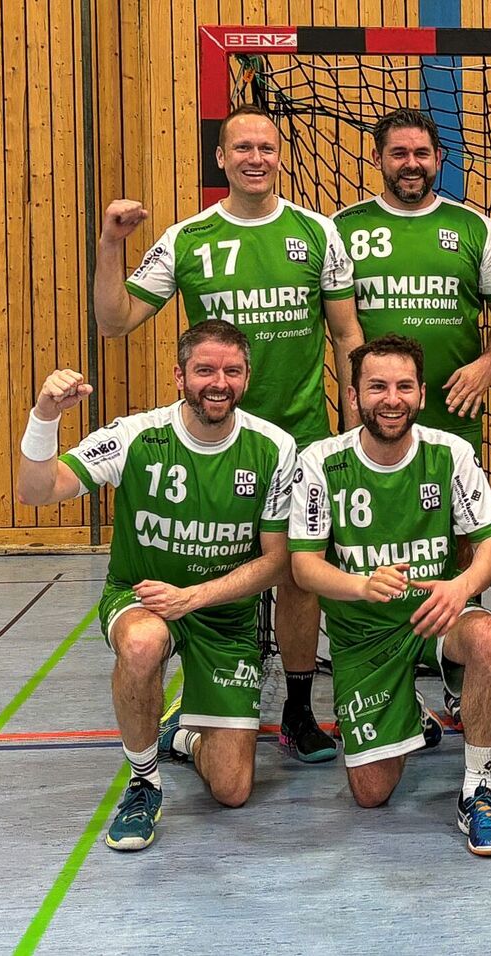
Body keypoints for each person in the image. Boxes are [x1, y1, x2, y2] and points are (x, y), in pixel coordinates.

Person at [94, 103, 367, 762]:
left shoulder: (318, 233)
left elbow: (346, 334)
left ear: (279, 156)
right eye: (242, 147)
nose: (255, 158)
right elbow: (114, 320)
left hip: (300, 439)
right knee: (212, 569)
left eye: (266, 148)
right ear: (221, 158)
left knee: (299, 574)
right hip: (215, 441)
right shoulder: (187, 239)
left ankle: (297, 710)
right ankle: (202, 699)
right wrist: (109, 244)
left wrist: (353, 428)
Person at [15, 321, 298, 851]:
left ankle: (183, 735)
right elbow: (37, 491)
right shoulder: (136, 436)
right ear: (179, 376)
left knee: (232, 789)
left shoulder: (274, 447)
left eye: (232, 371)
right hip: (141, 598)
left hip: (223, 614)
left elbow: (279, 562)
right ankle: (144, 781)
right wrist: (45, 415)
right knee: (144, 644)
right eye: (205, 370)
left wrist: (194, 597)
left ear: (247, 377)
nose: (219, 383)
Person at [288, 335, 491, 855]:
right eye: (377, 387)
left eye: (404, 386)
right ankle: (410, 711)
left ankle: (477, 789)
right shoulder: (320, 462)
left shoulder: (451, 452)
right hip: (365, 636)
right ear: (353, 396)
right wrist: (361, 585)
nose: (392, 399)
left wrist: (462, 587)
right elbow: (303, 567)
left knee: (486, 635)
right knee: (371, 794)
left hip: (434, 616)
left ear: (421, 394)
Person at [333, 108, 491, 453]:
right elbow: (340, 330)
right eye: (399, 153)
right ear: (377, 158)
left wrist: (487, 364)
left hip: (454, 416)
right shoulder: (342, 227)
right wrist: (353, 416)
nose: (412, 164)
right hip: (373, 419)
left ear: (437, 157)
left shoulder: (474, 226)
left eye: (421, 153)